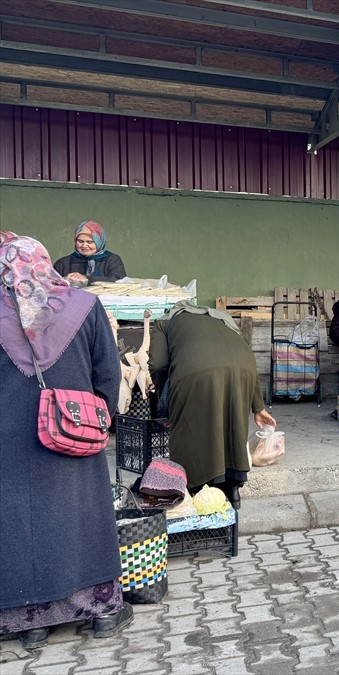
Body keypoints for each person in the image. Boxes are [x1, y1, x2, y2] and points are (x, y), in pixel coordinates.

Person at [0, 233, 133, 650]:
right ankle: (101, 612)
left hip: (10, 438)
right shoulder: (85, 305)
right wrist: (101, 417)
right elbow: (108, 374)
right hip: (74, 428)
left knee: (19, 522)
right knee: (85, 516)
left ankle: (31, 620)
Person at [148, 301, 276, 507]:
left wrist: (166, 394)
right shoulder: (220, 318)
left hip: (195, 372)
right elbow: (241, 356)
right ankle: (232, 490)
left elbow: (158, 364)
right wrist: (258, 406)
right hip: (244, 368)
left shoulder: (165, 323)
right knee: (232, 425)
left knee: (188, 433)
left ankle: (198, 490)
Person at [52, 220, 127, 287]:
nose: (84, 245)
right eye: (80, 241)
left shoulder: (112, 260)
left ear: (99, 242)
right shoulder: (62, 264)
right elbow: (49, 285)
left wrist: (86, 279)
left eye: (90, 242)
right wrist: (64, 280)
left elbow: (120, 281)